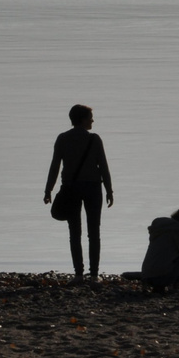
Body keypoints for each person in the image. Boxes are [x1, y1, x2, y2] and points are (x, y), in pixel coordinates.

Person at [43, 104, 113, 284]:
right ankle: (94, 275)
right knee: (93, 231)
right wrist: (109, 190)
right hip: (92, 188)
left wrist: (48, 189)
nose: (92, 120)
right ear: (82, 119)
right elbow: (103, 166)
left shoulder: (62, 138)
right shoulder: (95, 139)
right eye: (90, 117)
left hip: (70, 187)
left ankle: (78, 274)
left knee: (74, 232)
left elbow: (55, 166)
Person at [135, 205, 179, 294]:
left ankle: (158, 287)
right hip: (162, 277)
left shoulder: (160, 228)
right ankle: (177, 286)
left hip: (147, 275)